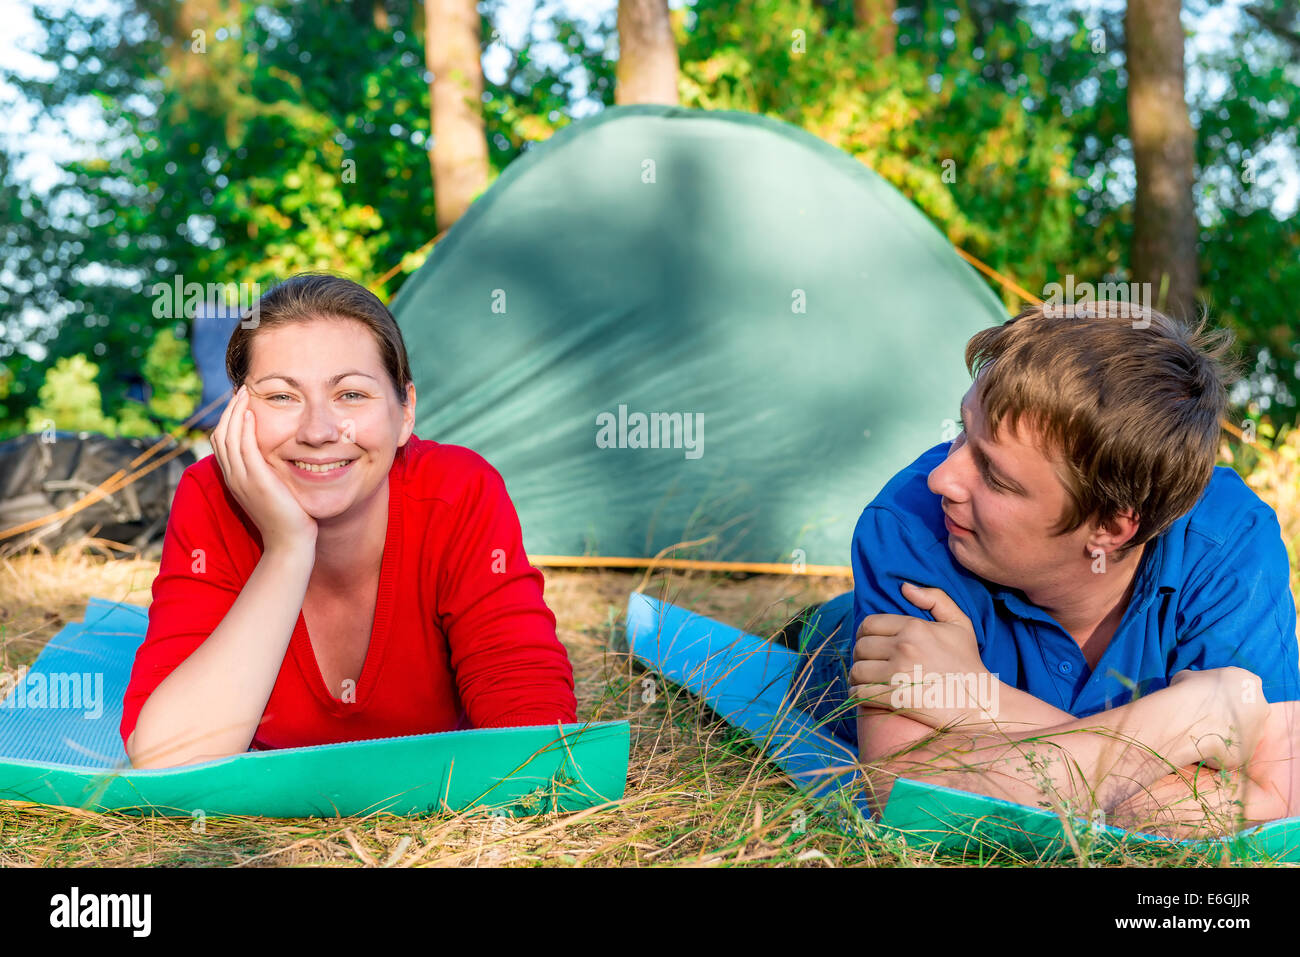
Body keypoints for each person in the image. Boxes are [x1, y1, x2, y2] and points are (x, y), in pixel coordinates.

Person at [787, 301, 1300, 839]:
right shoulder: (910, 525)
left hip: (966, 674)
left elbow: (1274, 802)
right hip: (844, 649)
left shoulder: (1230, 539)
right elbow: (905, 791)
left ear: (1112, 528)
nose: (943, 478)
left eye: (995, 475)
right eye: (963, 432)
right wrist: (1176, 727)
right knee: (827, 636)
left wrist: (981, 702)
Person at [122, 274, 577, 768]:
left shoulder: (458, 490)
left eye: (352, 395)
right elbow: (166, 758)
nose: (318, 431)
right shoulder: (211, 496)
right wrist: (288, 548)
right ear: (237, 413)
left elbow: (537, 744)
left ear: (405, 413)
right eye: (280, 397)